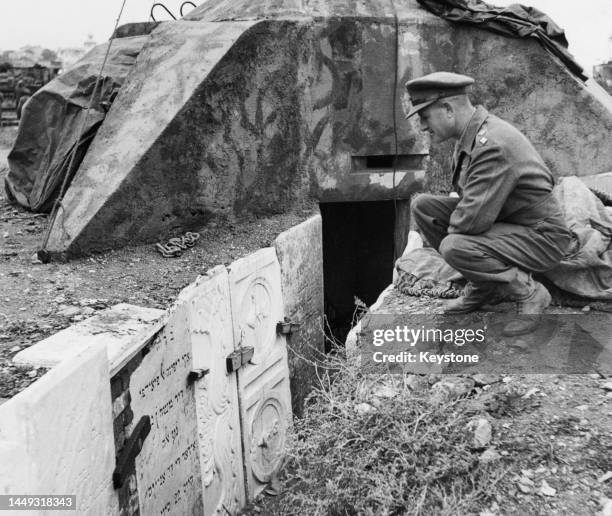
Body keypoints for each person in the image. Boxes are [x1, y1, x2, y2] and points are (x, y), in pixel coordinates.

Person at [405, 71, 572, 329]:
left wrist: (458, 244)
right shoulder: (471, 135)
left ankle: (527, 292)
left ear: (448, 108)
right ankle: (484, 285)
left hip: (542, 237)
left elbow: (470, 223)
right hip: (509, 222)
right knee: (424, 207)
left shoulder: (491, 143)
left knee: (455, 245)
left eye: (425, 116)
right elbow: (469, 203)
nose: (424, 126)